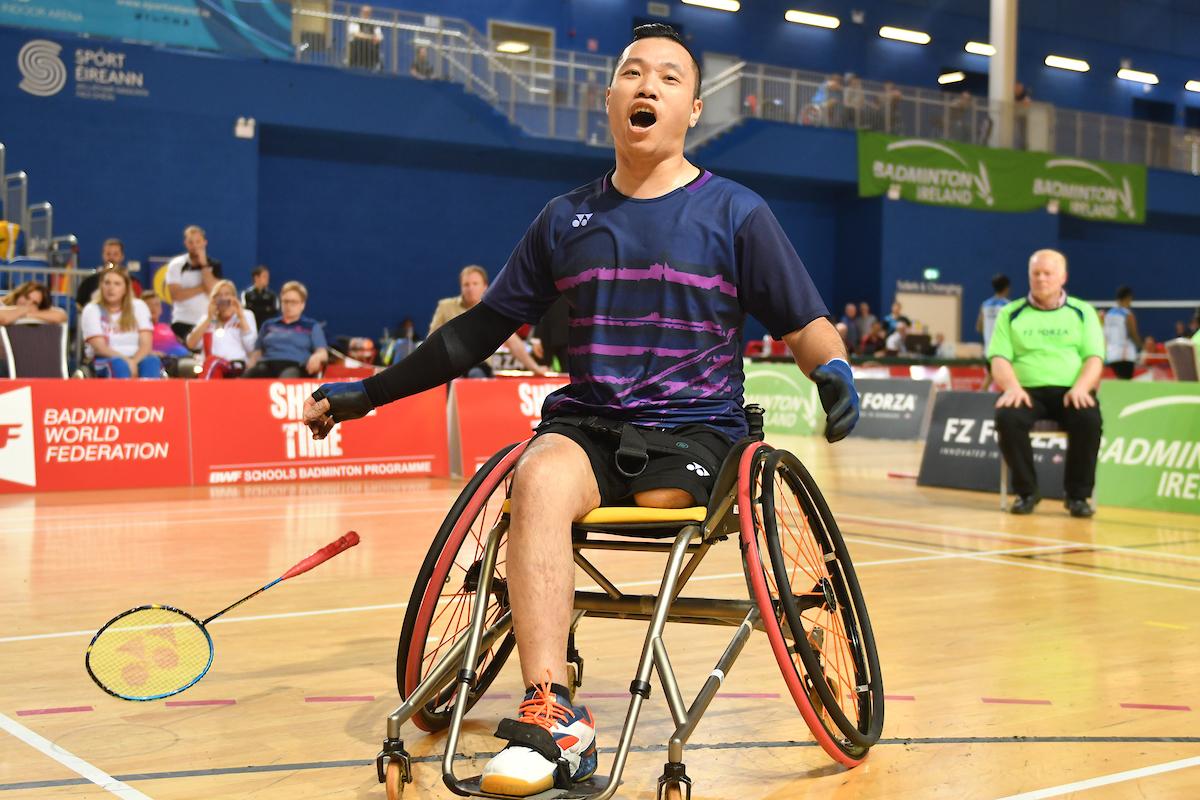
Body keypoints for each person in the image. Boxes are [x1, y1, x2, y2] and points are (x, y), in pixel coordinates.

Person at [302, 23, 859, 797]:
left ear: (693, 108)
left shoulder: (736, 213)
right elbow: (473, 334)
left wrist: (832, 372)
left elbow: (804, 322)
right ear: (609, 99)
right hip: (589, 424)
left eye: (668, 77)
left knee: (665, 497)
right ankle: (554, 707)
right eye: (632, 72)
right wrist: (368, 394)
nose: (647, 86)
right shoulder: (565, 220)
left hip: (696, 429)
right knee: (537, 476)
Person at [988, 249, 1103, 518]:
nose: (1041, 279)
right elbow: (999, 358)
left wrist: (1082, 387)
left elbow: (1094, 358)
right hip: (1026, 392)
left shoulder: (1083, 312)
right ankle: (1027, 493)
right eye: (1035, 273)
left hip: (1071, 391)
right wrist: (1012, 387)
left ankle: (1077, 496)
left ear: (1063, 277)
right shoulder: (1010, 313)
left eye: (1048, 273)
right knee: (1007, 417)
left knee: (1088, 419)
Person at [430, 265, 547, 376]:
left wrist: (535, 368)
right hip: (450, 366)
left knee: (476, 374)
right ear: (461, 287)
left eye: (475, 284)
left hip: (480, 367)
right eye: (466, 284)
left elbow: (514, 343)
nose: (470, 288)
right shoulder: (445, 307)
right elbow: (431, 339)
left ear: (485, 286)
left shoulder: (494, 311)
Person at [79, 266, 162, 379]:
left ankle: (148, 396)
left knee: (152, 361)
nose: (111, 288)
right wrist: (127, 361)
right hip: (103, 359)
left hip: (135, 357)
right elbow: (100, 348)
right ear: (101, 286)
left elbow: (146, 345)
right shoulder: (92, 309)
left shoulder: (139, 306)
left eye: (117, 284)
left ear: (125, 289)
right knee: (119, 365)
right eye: (107, 283)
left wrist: (133, 362)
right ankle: (123, 397)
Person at [244, 281, 328, 378]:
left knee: (287, 377)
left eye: (293, 302)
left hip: (296, 366)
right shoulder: (268, 325)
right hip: (267, 364)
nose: (288, 306)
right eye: (285, 301)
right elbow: (257, 353)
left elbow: (323, 352)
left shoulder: (312, 326)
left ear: (302, 304)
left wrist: (317, 357)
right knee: (248, 377)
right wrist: (250, 366)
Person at [187, 280, 257, 379]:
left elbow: (252, 348)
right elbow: (191, 344)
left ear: (234, 297)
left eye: (227, 294)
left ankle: (203, 392)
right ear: (213, 300)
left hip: (236, 366)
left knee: (213, 362)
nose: (223, 298)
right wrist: (209, 319)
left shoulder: (246, 315)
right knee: (212, 363)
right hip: (210, 366)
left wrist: (241, 317)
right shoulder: (206, 319)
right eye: (219, 295)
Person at [165, 225, 222, 342]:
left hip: (208, 322)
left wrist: (204, 265)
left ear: (205, 242)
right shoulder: (176, 264)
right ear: (186, 243)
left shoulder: (214, 265)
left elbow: (213, 291)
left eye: (198, 241)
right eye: (191, 242)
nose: (195, 245)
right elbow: (176, 295)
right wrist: (203, 287)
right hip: (182, 321)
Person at [75, 239, 143, 308]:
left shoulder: (133, 282)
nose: (111, 258)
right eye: (108, 254)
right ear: (103, 255)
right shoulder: (89, 282)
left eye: (115, 254)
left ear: (122, 256)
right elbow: (80, 305)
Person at [1103, 285, 1141, 380]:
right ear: (1128, 297)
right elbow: (1133, 334)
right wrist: (1141, 347)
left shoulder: (1108, 314)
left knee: (1119, 380)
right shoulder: (1128, 314)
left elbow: (1105, 335)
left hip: (1111, 354)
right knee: (1126, 383)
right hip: (1125, 355)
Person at [0, 281, 68, 325]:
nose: (28, 304)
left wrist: (26, 314)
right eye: (27, 297)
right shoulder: (1, 302)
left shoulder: (32, 311)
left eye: (35, 303)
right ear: (19, 293)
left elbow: (61, 316)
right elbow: (2, 319)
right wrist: (24, 310)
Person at [977, 273, 1011, 353]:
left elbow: (979, 327)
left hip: (988, 351)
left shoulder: (985, 305)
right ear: (1007, 288)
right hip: (1003, 351)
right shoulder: (1008, 306)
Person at [241, 265, 279, 332]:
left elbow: (275, 310)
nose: (267, 279)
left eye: (268, 277)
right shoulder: (246, 294)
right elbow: (245, 310)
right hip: (251, 328)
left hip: (267, 330)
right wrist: (265, 309)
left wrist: (255, 308)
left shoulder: (272, 295)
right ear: (256, 278)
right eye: (264, 276)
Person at [348, 5, 382, 71]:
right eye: (364, 12)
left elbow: (379, 37)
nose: (366, 13)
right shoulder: (355, 21)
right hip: (356, 49)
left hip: (370, 52)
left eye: (368, 12)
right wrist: (371, 37)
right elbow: (356, 34)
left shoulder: (374, 24)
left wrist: (376, 39)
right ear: (361, 12)